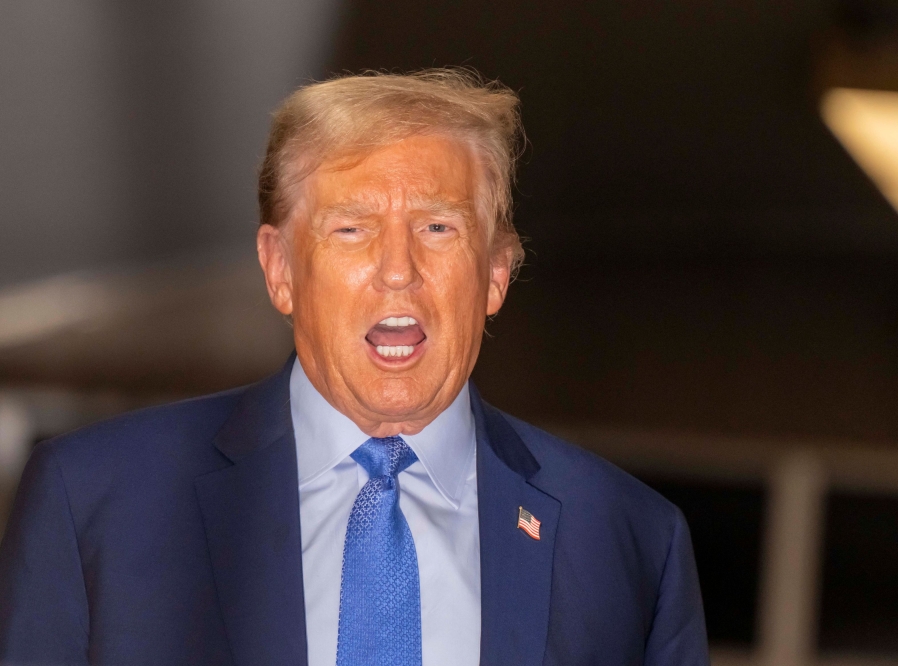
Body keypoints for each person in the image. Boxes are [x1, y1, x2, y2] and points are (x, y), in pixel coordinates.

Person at [0, 69, 709, 665]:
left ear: (496, 273)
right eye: (352, 229)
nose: (397, 271)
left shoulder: (629, 540)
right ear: (280, 270)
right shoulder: (95, 506)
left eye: (438, 227)